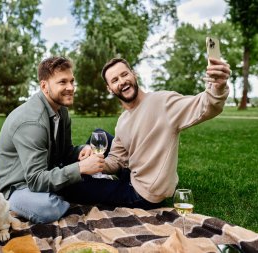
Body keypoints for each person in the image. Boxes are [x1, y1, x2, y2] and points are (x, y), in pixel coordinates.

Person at [58, 57, 230, 209]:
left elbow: (205, 106)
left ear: (134, 75)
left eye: (125, 75)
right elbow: (117, 160)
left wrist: (218, 86)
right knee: (98, 134)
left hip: (144, 194)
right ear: (110, 88)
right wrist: (96, 162)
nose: (122, 81)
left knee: (69, 186)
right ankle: (92, 175)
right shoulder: (123, 120)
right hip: (132, 174)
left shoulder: (162, 102)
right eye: (115, 80)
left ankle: (70, 176)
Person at [0, 56, 104, 224]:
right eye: (62, 82)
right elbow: (36, 179)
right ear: (44, 86)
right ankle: (63, 193)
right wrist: (80, 168)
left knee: (78, 181)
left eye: (72, 81)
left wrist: (82, 150)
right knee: (48, 208)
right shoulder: (32, 122)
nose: (70, 88)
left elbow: (65, 152)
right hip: (17, 186)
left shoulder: (62, 111)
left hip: (46, 172)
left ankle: (67, 190)